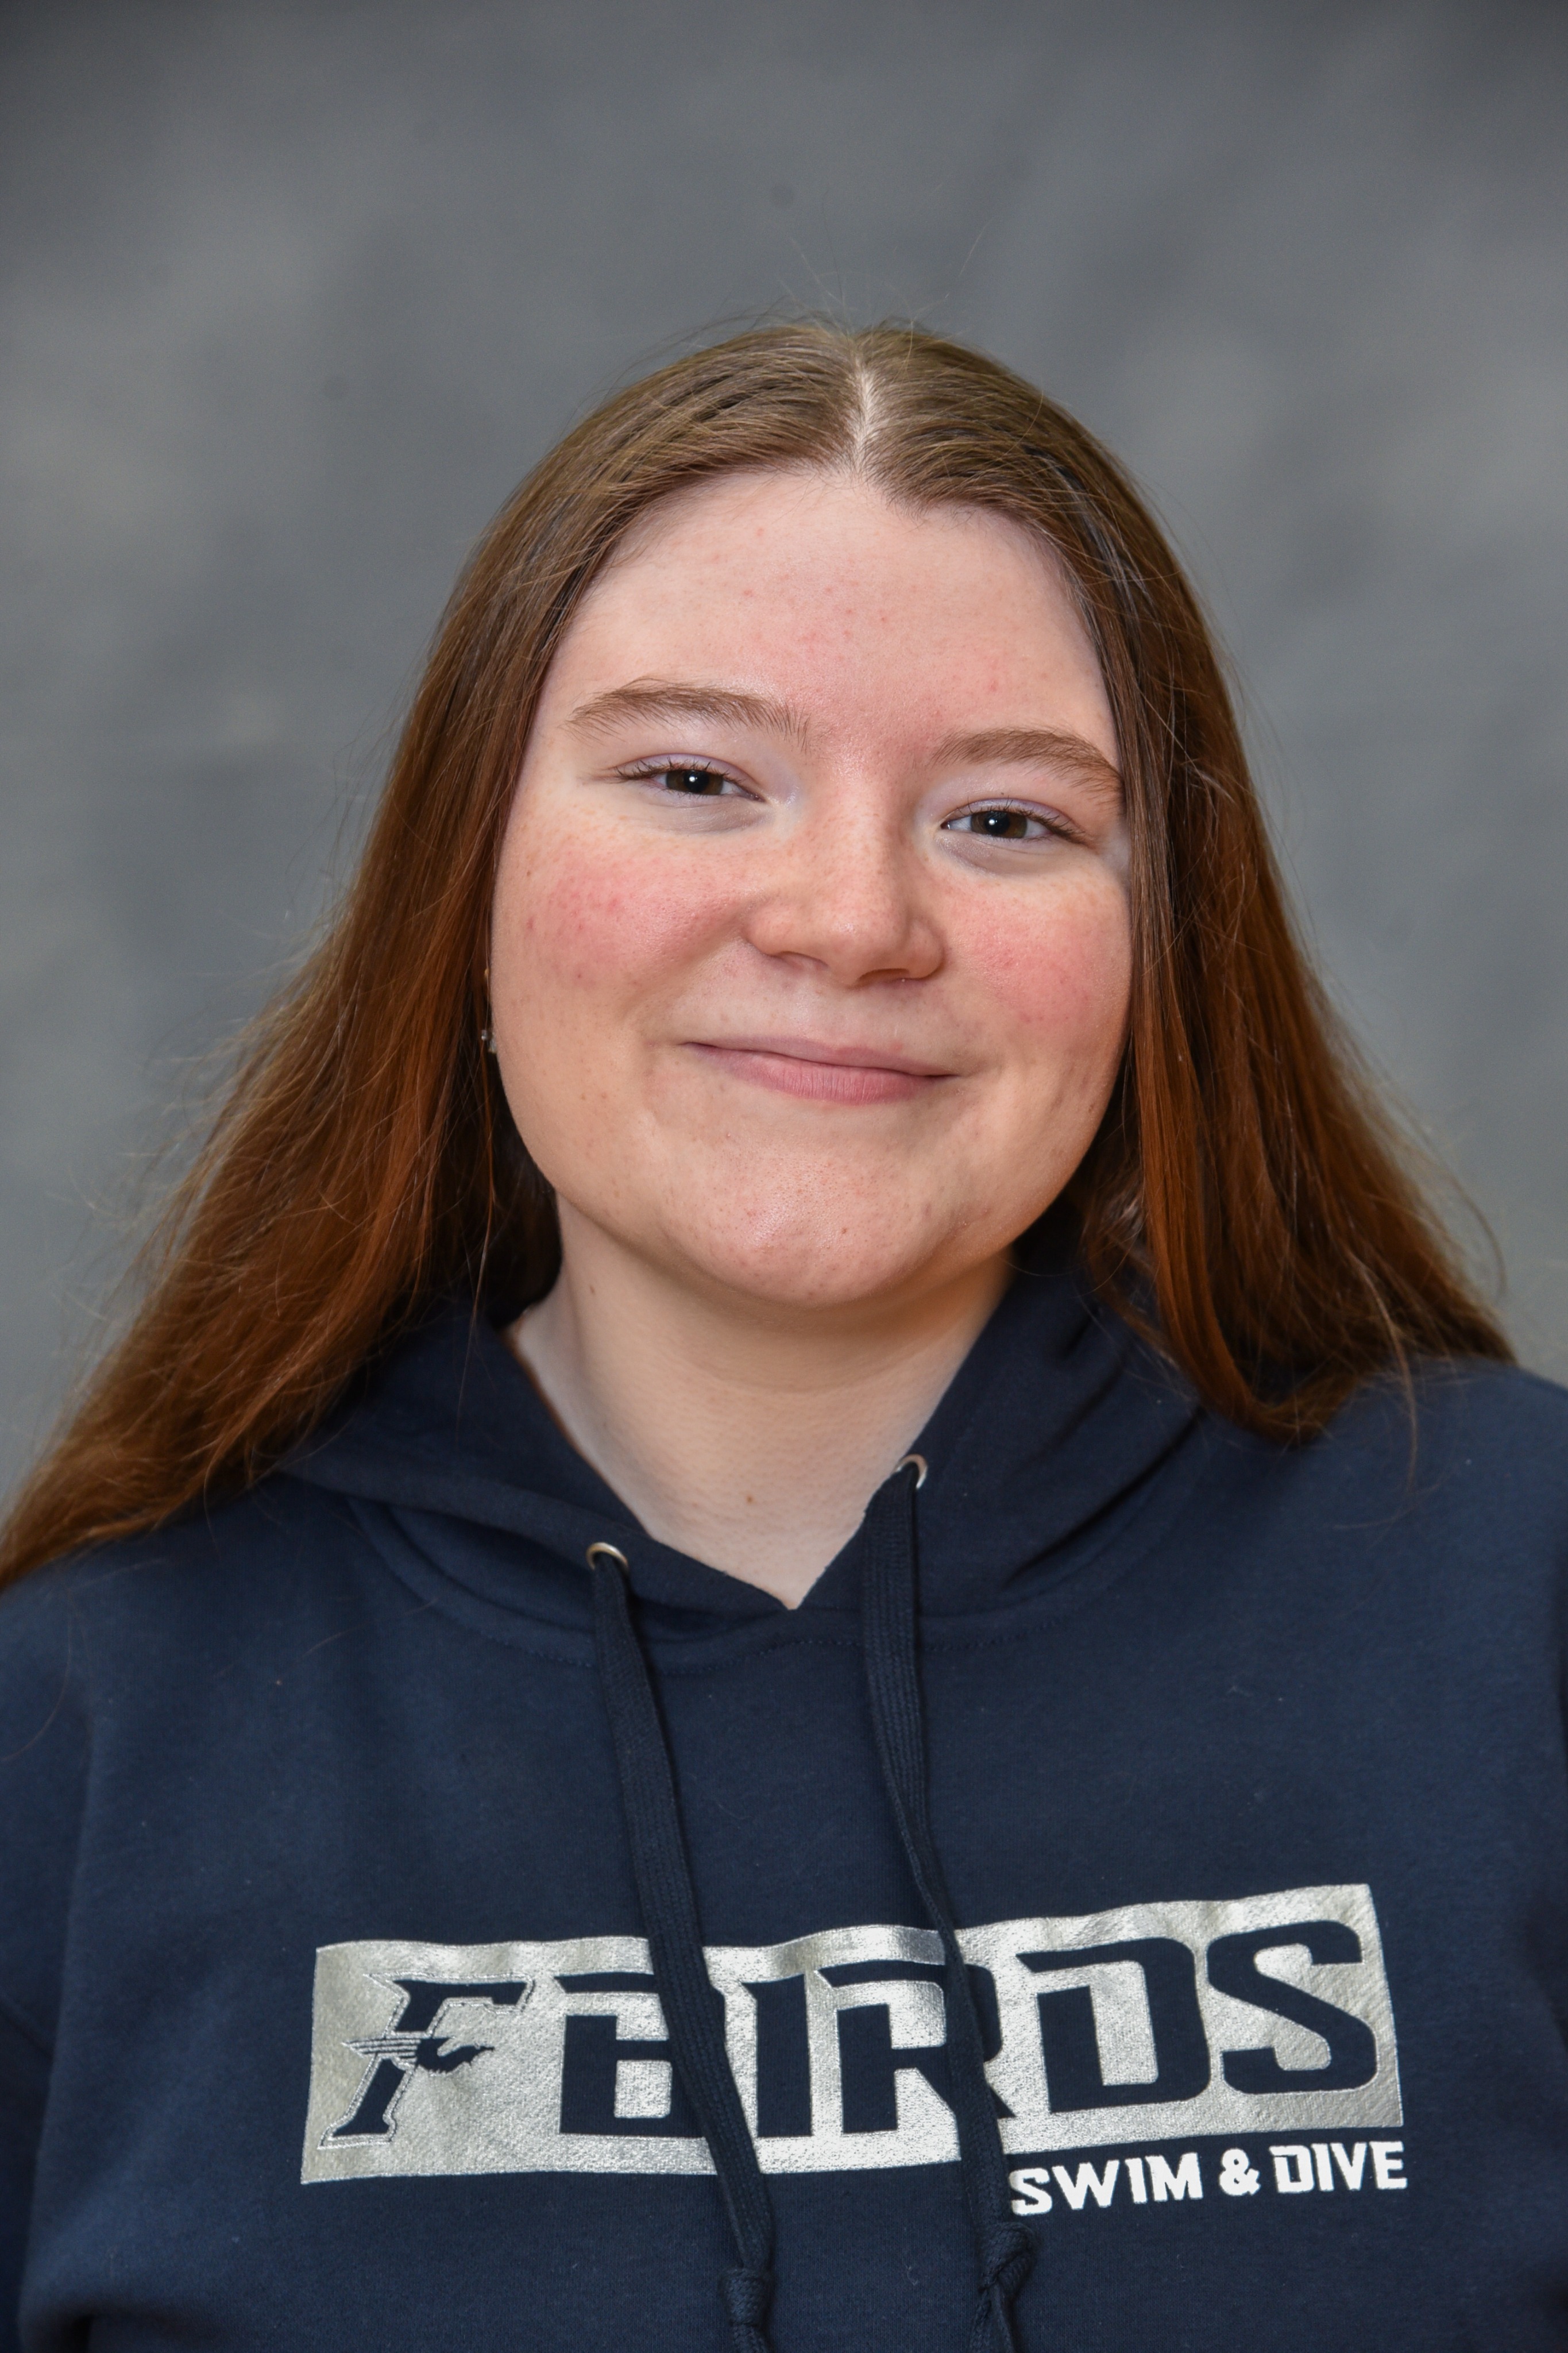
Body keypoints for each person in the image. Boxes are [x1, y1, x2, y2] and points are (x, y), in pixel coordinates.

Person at [0, 322, 1562, 2353]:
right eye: (693, 780)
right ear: (462, 890)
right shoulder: (84, 1726)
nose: (848, 919)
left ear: (1159, 949)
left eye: (1005, 819)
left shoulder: (1511, 1585)